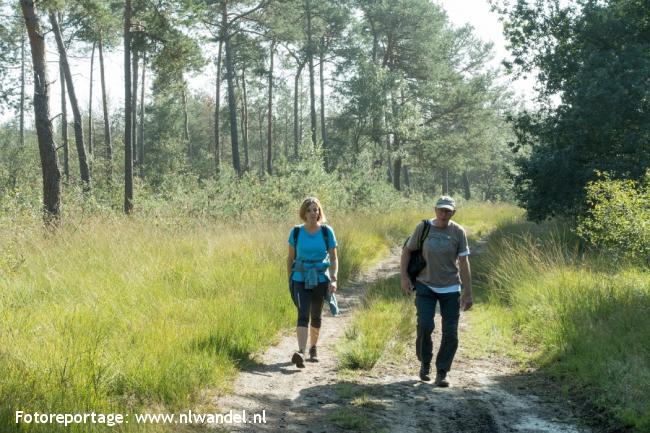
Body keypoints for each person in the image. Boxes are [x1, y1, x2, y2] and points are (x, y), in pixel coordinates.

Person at [400, 195, 473, 387]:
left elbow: (464, 262)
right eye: (440, 210)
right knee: (425, 325)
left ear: (453, 212)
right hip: (425, 284)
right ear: (435, 210)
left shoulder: (458, 232)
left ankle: (442, 371)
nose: (443, 214)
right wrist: (404, 277)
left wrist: (468, 291)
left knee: (451, 332)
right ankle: (425, 363)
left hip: (450, 287)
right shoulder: (423, 228)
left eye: (447, 211)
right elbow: (407, 251)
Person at [287, 197, 338, 368]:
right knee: (303, 312)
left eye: (315, 210)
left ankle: (313, 348)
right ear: (304, 213)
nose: (312, 213)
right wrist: (290, 279)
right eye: (309, 210)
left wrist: (333, 278)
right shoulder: (295, 232)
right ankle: (300, 352)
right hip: (300, 278)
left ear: (319, 212)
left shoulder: (326, 231)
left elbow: (333, 257)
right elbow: (290, 258)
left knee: (316, 314)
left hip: (320, 278)